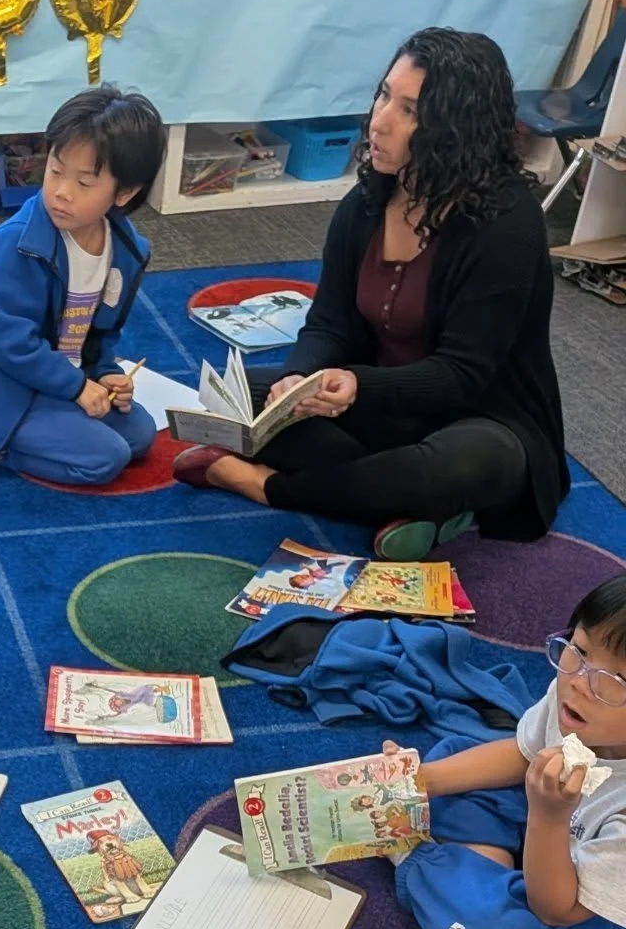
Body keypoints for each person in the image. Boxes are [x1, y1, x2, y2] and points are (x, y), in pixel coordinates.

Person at [173, 28, 568, 561]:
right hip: (378, 402)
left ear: (455, 129)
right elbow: (329, 322)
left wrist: (357, 385)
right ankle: (403, 502)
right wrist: (301, 374)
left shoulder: (507, 226)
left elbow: (462, 374)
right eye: (384, 95)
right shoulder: (367, 202)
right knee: (241, 396)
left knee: (458, 464)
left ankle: (265, 486)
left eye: (409, 111)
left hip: (480, 417)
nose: (379, 121)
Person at [393, 576, 626, 929]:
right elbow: (523, 755)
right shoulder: (577, 693)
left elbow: (558, 910)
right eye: (579, 649)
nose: (577, 681)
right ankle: (488, 898)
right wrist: (414, 783)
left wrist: (548, 818)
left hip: (603, 918)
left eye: (615, 680)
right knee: (461, 757)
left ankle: (423, 863)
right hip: (564, 840)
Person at [0, 84, 166, 486]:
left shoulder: (127, 249)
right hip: (4, 393)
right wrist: (76, 387)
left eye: (84, 184)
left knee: (141, 436)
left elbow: (103, 332)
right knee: (105, 460)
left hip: (63, 382)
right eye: (55, 171)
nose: (61, 192)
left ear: (124, 193)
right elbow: (12, 344)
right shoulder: (16, 244)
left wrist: (106, 374)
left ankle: (53, 424)